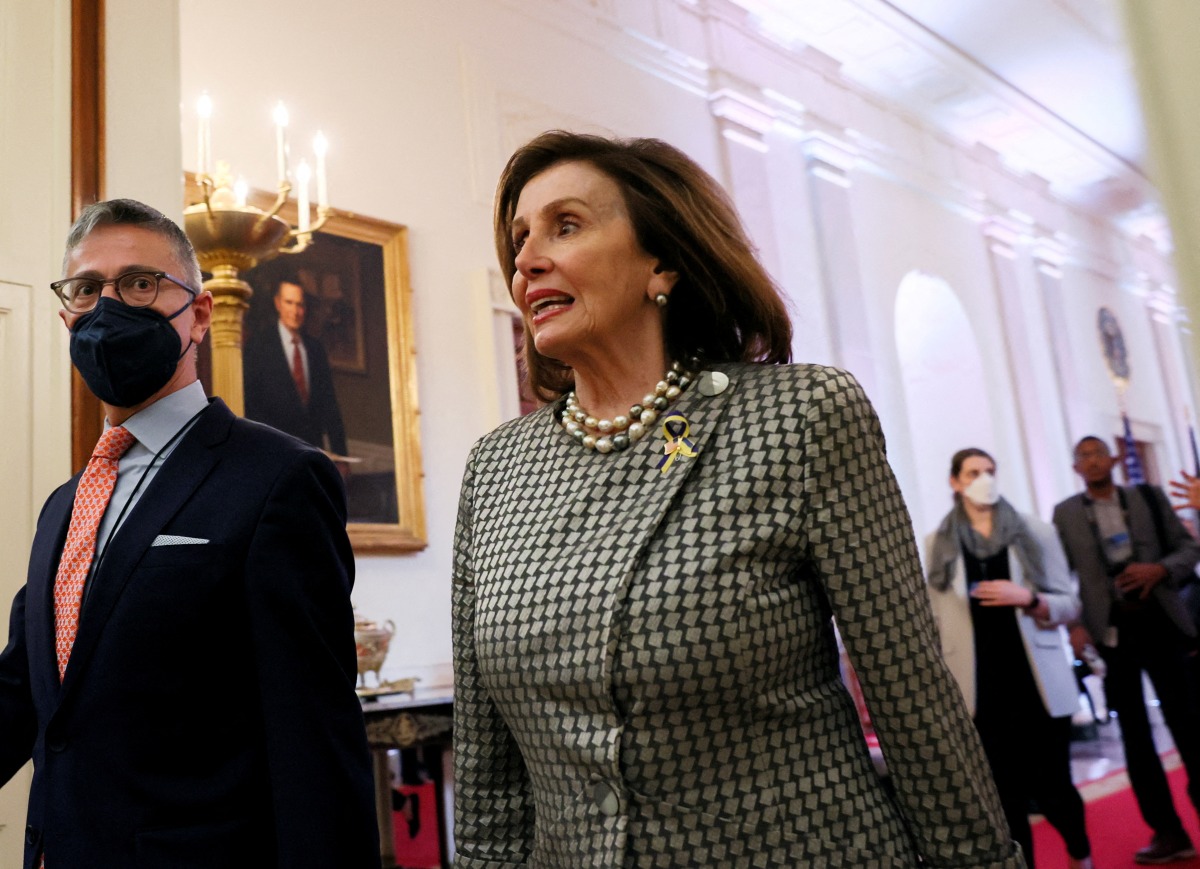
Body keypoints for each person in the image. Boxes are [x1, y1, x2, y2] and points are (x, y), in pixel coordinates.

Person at [451, 131, 1024, 868]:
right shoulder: (496, 469)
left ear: (662, 261)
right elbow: (486, 767)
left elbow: (912, 697)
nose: (527, 259)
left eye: (566, 225)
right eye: (518, 238)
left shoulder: (803, 416)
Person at [0, 199, 379, 868]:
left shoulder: (279, 479)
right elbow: (26, 694)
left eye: (140, 283)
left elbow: (312, 741)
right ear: (67, 316)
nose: (109, 307)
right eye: (88, 288)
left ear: (199, 314)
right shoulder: (64, 506)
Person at [925, 448, 1092, 869]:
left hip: (1035, 682)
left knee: (1055, 789)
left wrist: (1030, 598)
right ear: (955, 482)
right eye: (974, 472)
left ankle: (1079, 852)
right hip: (981, 688)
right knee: (1004, 796)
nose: (984, 478)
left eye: (990, 471)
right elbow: (934, 615)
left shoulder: (1034, 531)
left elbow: (1069, 603)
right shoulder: (937, 543)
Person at [1053, 436, 1200, 865]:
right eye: (1084, 455)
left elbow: (1190, 549)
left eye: (1100, 453)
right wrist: (1076, 625)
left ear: (1115, 459)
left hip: (1163, 623)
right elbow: (1060, 577)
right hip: (1112, 634)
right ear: (1076, 467)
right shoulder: (1065, 514)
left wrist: (1160, 569)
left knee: (1190, 727)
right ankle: (1168, 832)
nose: (1094, 460)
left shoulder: (1148, 498)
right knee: (1135, 737)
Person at [243, 277, 349, 457]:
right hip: (272, 452)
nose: (295, 311)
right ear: (278, 304)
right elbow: (251, 406)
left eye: (300, 305)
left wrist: (342, 456)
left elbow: (330, 406)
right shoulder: (258, 347)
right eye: (289, 303)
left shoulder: (315, 350)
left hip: (311, 454)